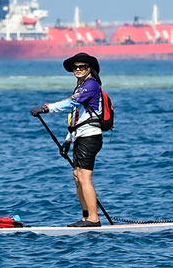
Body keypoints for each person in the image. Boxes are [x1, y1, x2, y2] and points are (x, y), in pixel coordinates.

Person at [30, 52, 105, 227]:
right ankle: (86, 217)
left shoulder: (92, 85)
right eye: (75, 68)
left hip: (90, 136)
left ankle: (94, 219)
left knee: (84, 177)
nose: (78, 70)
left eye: (82, 67)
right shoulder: (81, 86)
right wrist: (67, 141)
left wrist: (46, 108)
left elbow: (71, 103)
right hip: (80, 136)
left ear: (90, 69)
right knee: (77, 176)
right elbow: (76, 116)